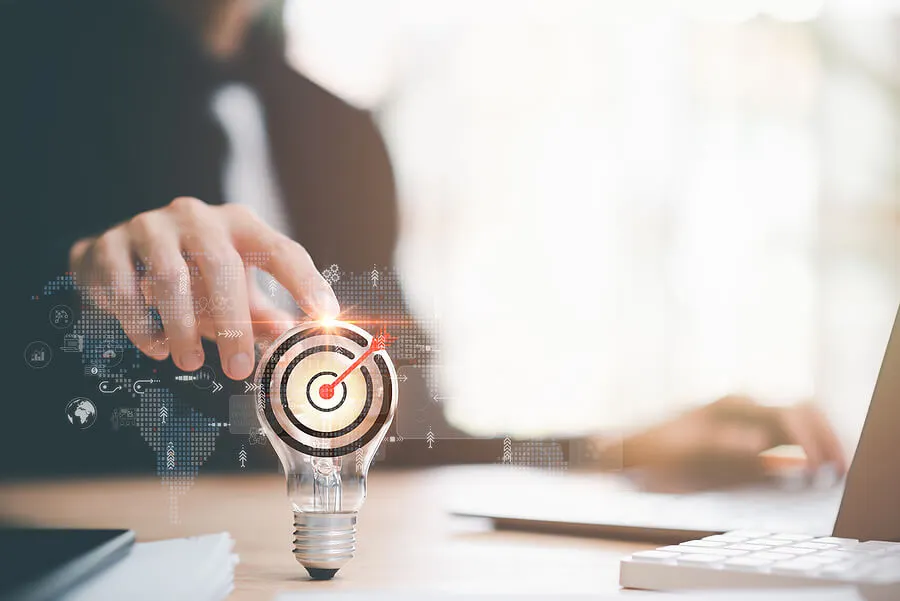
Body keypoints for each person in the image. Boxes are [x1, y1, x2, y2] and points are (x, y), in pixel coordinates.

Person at [2, 0, 845, 482]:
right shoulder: (26, 96)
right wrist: (61, 303)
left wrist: (616, 446)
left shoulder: (340, 132)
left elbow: (405, 437)